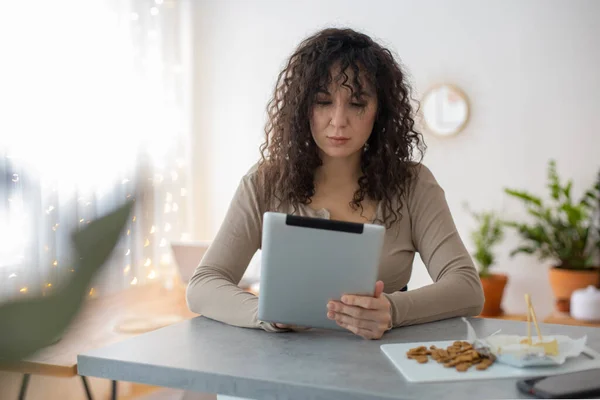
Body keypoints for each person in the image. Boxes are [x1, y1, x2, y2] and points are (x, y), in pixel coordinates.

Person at [186, 27, 484, 340]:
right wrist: (268, 316)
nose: (339, 120)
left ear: (379, 111)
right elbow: (204, 285)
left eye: (357, 104)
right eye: (323, 102)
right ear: (302, 108)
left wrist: (392, 310)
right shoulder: (264, 182)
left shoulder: (413, 184)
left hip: (380, 371)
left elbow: (467, 288)